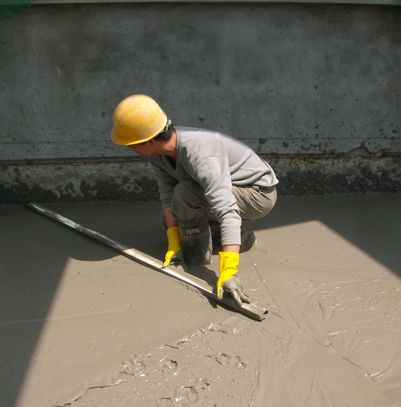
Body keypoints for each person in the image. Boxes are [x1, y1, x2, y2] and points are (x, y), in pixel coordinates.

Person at [111, 94, 278, 306]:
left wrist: (228, 272)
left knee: (186, 195)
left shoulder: (200, 155)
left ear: (150, 141)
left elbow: (226, 210)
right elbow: (167, 195)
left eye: (131, 144)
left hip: (257, 194)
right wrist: (174, 241)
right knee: (174, 212)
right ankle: (229, 237)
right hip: (232, 190)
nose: (129, 148)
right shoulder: (157, 153)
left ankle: (204, 253)